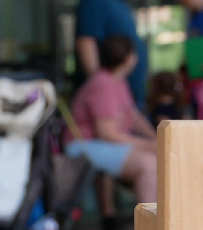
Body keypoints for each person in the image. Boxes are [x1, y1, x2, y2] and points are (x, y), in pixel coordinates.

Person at [68, 35, 158, 220]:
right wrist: (150, 145)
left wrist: (157, 138)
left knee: (155, 155)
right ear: (128, 58)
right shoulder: (103, 84)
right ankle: (151, 226)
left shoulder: (118, 80)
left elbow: (133, 117)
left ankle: (156, 219)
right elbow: (107, 134)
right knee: (148, 163)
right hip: (82, 145)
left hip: (99, 143)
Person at [75, 0, 148, 108]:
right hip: (108, 104)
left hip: (124, 99)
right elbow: (86, 43)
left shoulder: (116, 0)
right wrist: (101, 87)